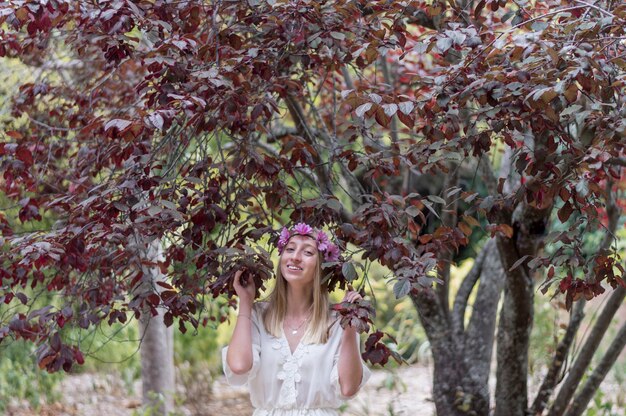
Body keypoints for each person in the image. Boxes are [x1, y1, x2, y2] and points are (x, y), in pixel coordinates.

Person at [222, 223, 371, 416]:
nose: (295, 257)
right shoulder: (258, 314)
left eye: (307, 253)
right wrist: (245, 302)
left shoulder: (339, 320)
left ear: (322, 266)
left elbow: (348, 388)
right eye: (290, 249)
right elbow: (239, 366)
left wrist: (350, 326)